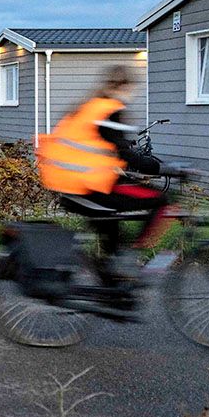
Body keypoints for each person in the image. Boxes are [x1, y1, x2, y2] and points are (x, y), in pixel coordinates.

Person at [37, 65, 168, 283]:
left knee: (112, 231)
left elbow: (103, 145)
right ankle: (130, 257)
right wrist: (163, 168)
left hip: (65, 182)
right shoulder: (110, 110)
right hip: (87, 184)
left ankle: (112, 286)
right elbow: (126, 154)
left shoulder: (88, 106)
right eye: (132, 88)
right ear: (124, 86)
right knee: (160, 200)